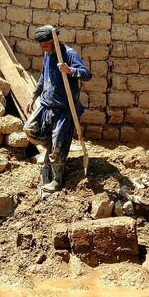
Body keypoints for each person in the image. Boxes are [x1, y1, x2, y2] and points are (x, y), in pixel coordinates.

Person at [23, 25, 92, 192]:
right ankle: (51, 148)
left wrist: (70, 70)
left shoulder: (68, 54)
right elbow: (43, 76)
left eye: (46, 45)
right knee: (29, 129)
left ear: (53, 42)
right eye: (41, 46)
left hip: (64, 107)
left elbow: (87, 74)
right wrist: (34, 96)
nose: (43, 49)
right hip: (46, 105)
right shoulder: (47, 55)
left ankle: (57, 181)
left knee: (58, 147)